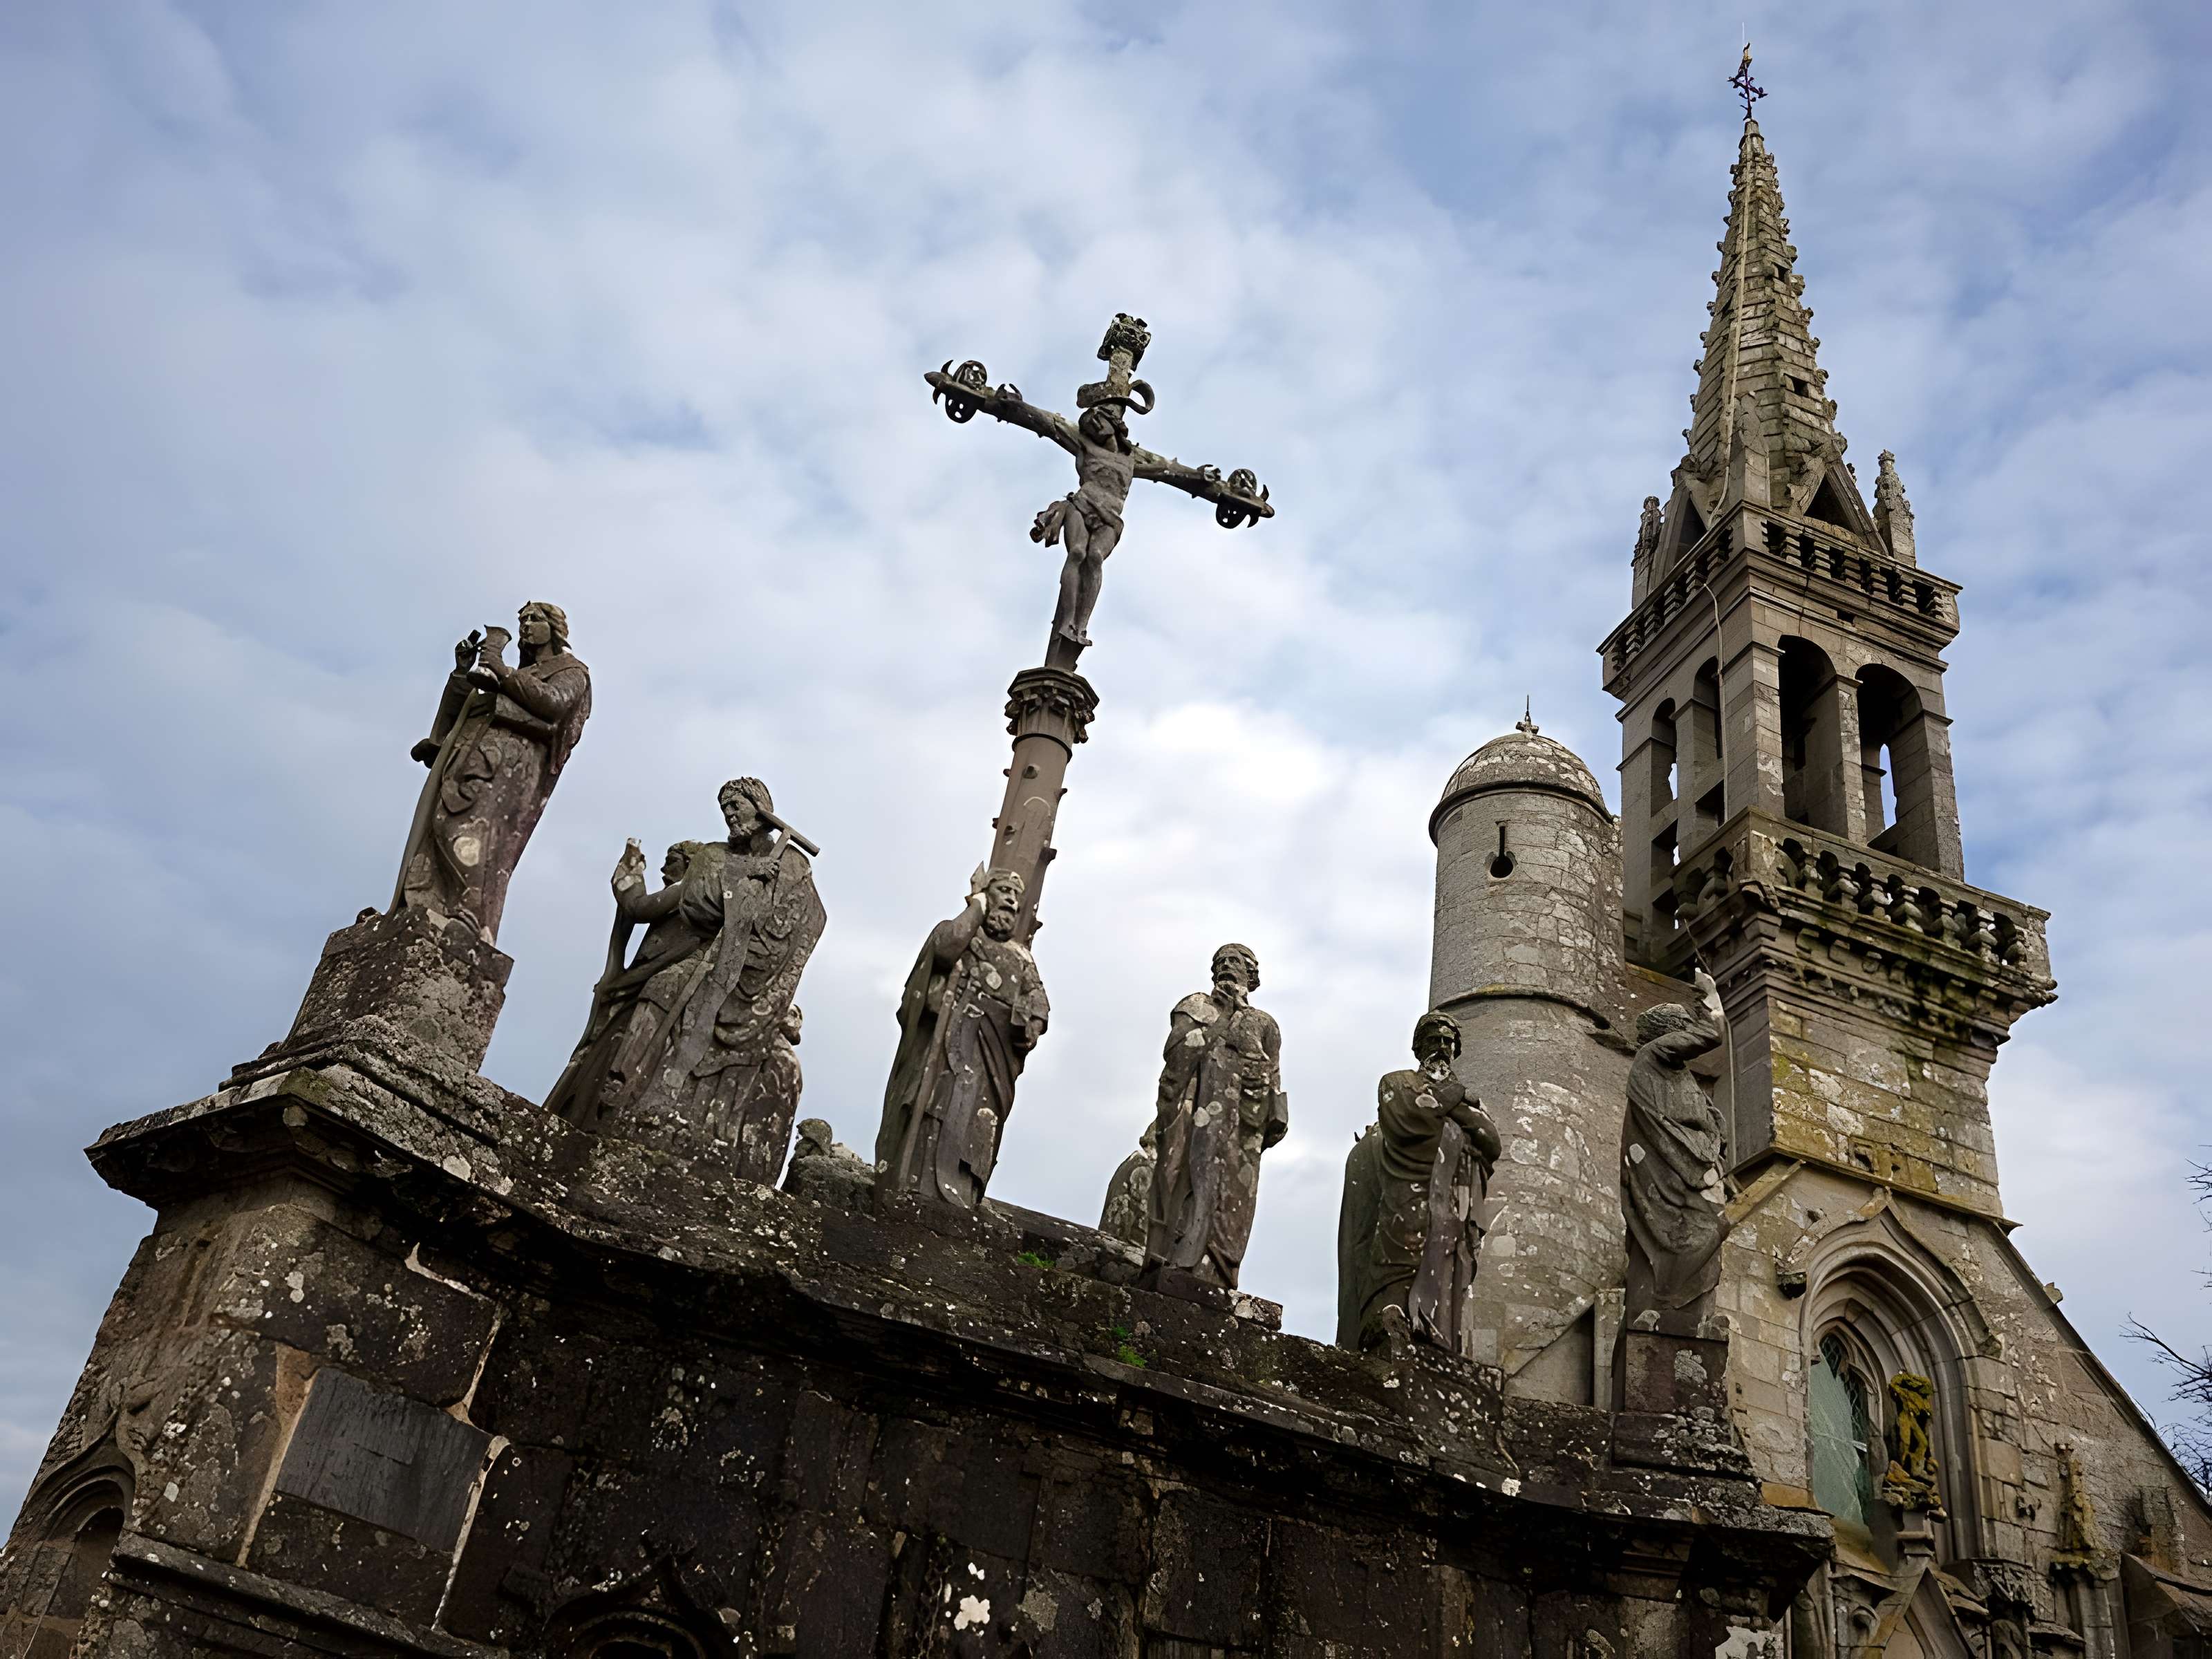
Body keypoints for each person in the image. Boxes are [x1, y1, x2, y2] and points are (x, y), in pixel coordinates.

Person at [550, 778, 825, 1183]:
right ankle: (622, 1083)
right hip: (706, 960)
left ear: (761, 806)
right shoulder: (713, 857)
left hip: (752, 975)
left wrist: (759, 903)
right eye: (724, 807)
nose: (730, 813)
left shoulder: (794, 865)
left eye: (737, 804)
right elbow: (698, 906)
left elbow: (807, 920)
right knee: (662, 987)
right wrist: (742, 882)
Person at [395, 600, 590, 944]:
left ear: (555, 628)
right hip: (468, 760)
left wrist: (500, 669)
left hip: (509, 770)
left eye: (535, 619)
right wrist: (462, 673)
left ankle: (472, 917)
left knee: (477, 835)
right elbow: (467, 710)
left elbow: (554, 705)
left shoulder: (571, 669)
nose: (526, 625)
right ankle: (427, 905)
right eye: (522, 620)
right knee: (439, 827)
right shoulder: (515, 674)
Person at [876, 868, 1050, 1210]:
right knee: (935, 1109)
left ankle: (962, 1197)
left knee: (977, 1125)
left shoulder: (1021, 958)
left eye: (1016, 898)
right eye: (1003, 892)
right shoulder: (962, 936)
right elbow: (944, 951)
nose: (1012, 902)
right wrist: (977, 905)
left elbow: (1040, 1004)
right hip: (949, 1051)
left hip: (992, 1062)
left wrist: (1031, 1024)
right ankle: (918, 1186)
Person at [1338, 1011, 1500, 1355]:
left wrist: (1447, 1103)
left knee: (1446, 1272)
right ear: (1418, 1047)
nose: (1441, 1047)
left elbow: (1491, 1140)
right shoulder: (1396, 1082)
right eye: (1433, 1040)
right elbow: (1409, 1117)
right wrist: (1456, 1101)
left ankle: (1436, 1343)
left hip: (1451, 1207)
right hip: (1404, 1196)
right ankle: (1383, 1335)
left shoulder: (1464, 1099)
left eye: (1447, 1042)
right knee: (1397, 1265)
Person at [1145, 944, 1287, 1289]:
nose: (1226, 966)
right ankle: (1179, 1262)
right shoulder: (1196, 1007)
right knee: (1186, 1182)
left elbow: (1273, 1085)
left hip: (1242, 1131)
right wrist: (1222, 1017)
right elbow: (1175, 1066)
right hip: (1195, 1121)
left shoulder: (1264, 1024)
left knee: (1235, 1199)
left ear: (1252, 976)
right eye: (1220, 962)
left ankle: (1218, 1273)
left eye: (1236, 962)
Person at [1621, 968, 1732, 1322]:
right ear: (1670, 1032)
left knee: (1710, 1232)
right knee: (1711, 1229)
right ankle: (1665, 1299)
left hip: (1690, 1166)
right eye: (1683, 1026)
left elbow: (1708, 1119)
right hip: (1678, 1170)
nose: (1688, 1032)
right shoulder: (1655, 1054)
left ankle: (1669, 1302)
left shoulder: (1675, 1072)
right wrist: (1708, 997)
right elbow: (1712, 1034)